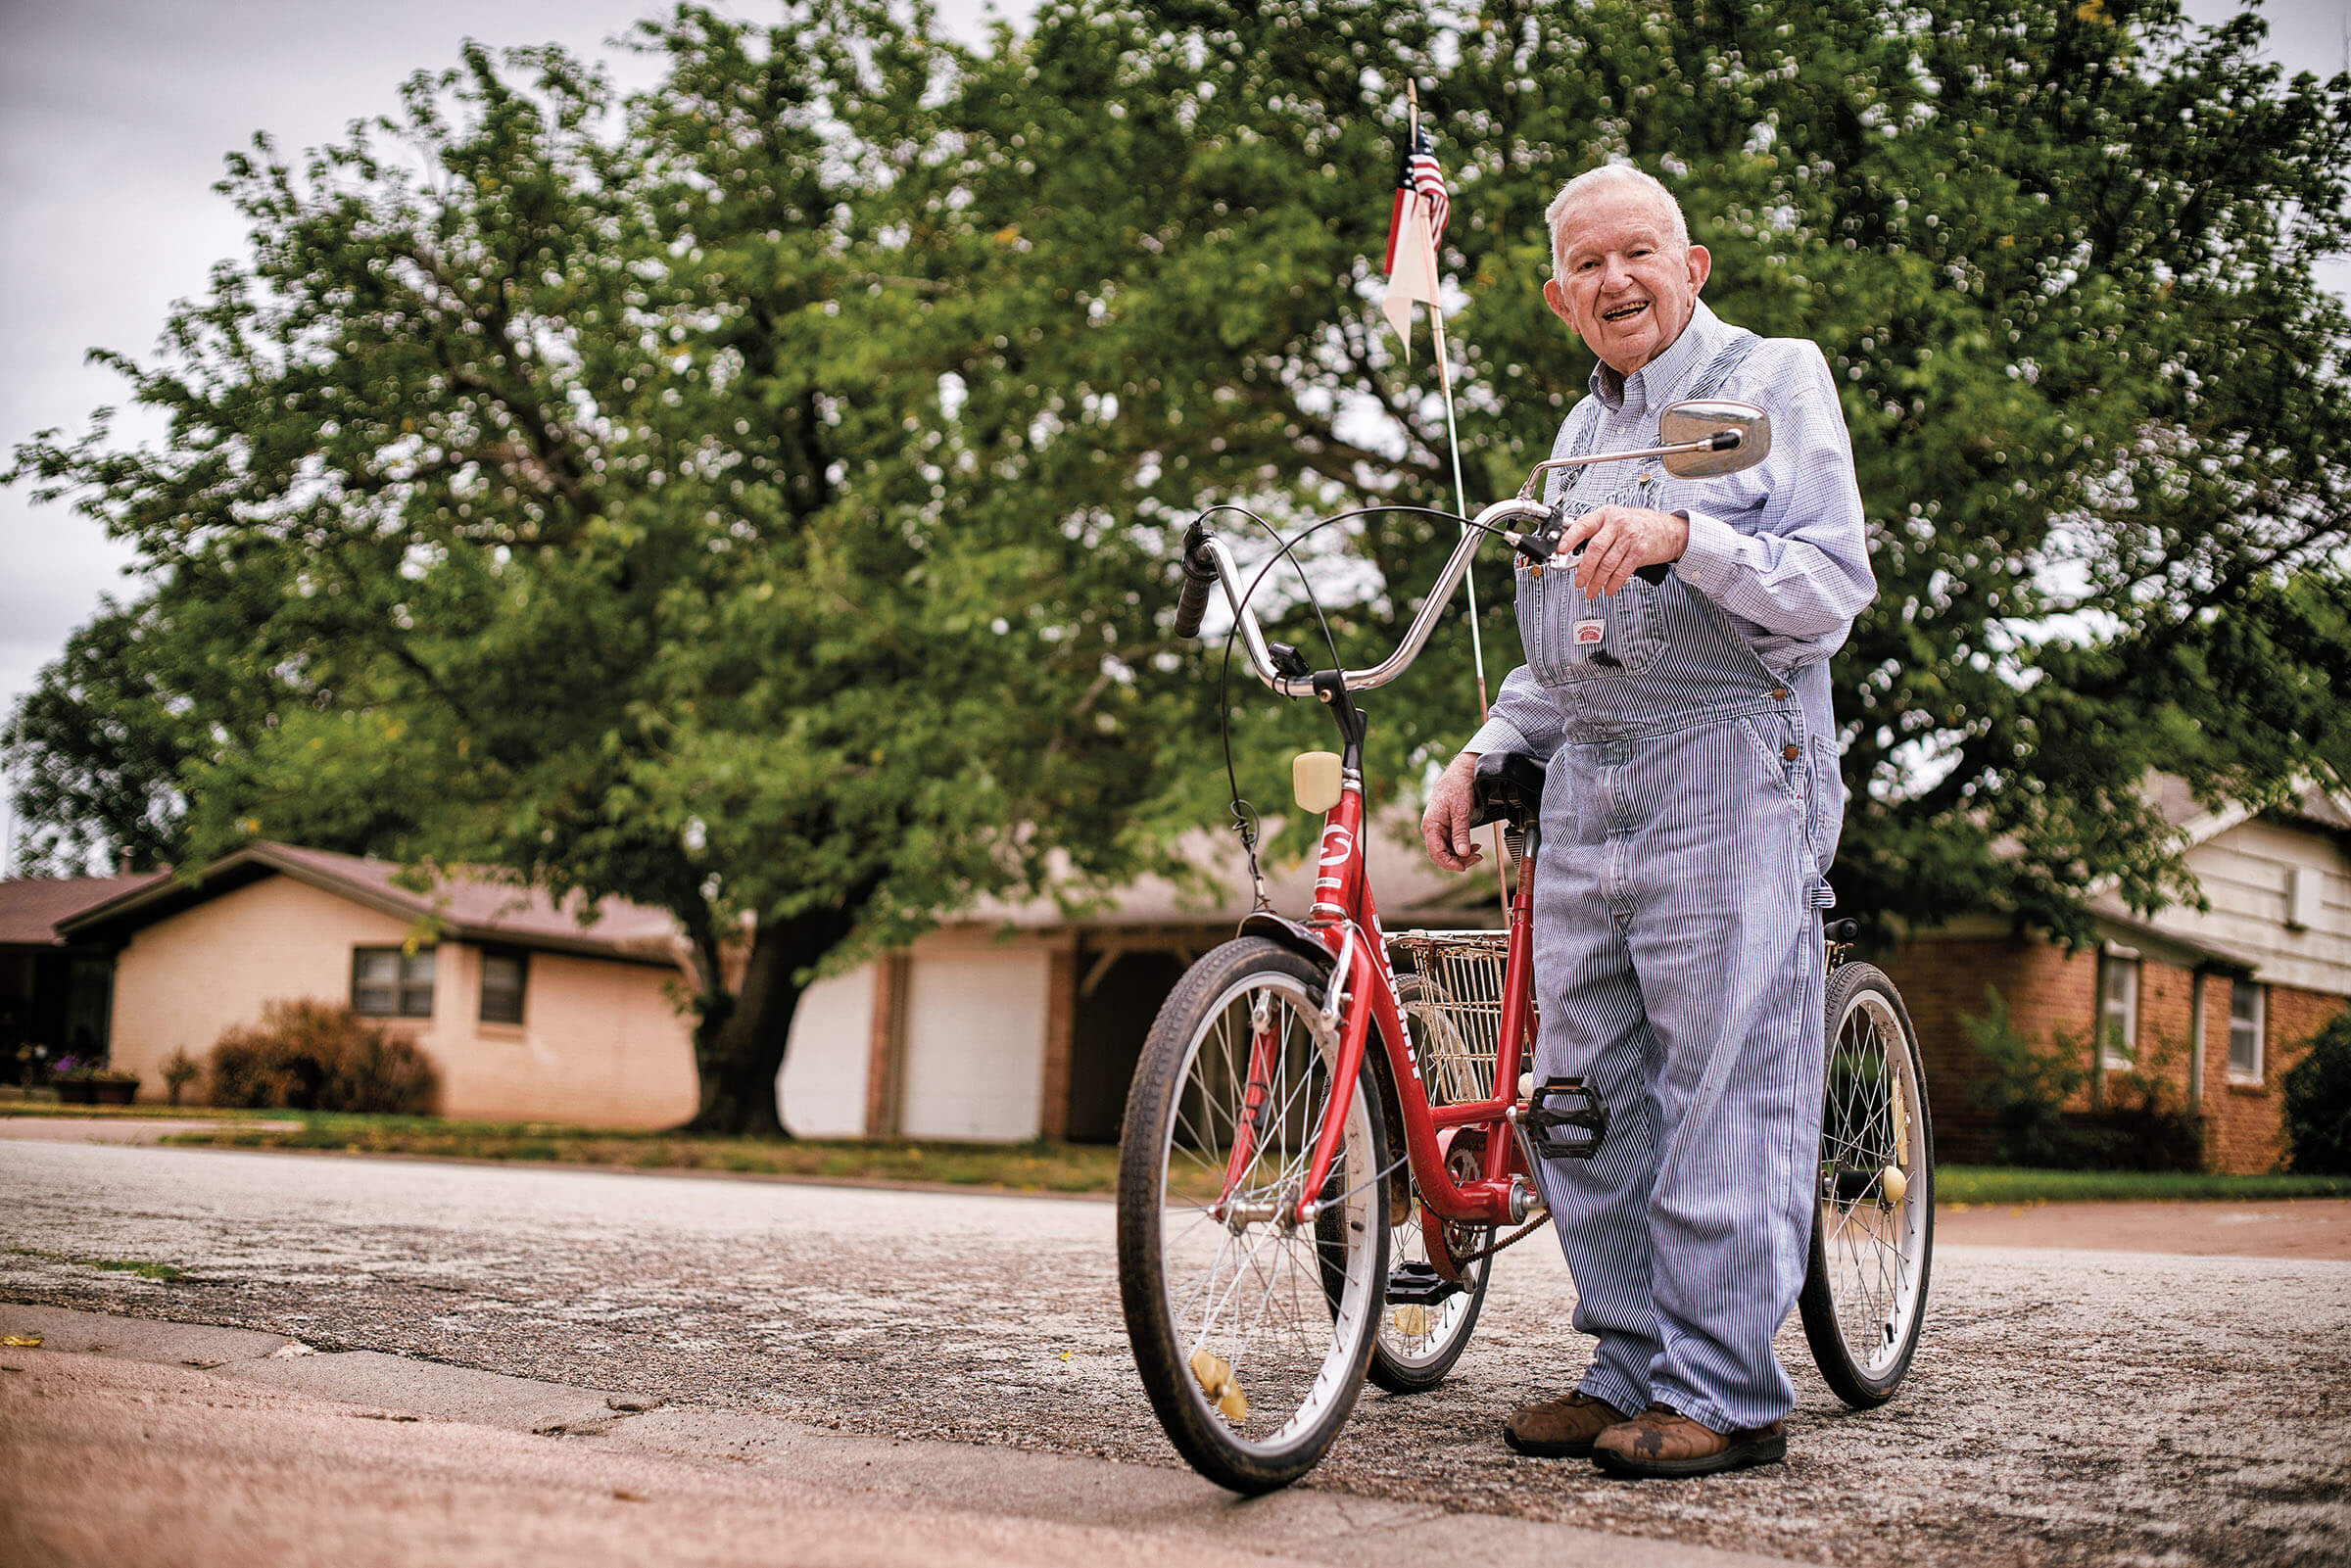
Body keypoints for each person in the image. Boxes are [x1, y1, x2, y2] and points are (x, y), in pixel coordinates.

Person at [1419, 165, 1875, 1478]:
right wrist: (1487, 746)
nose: (1616, 280)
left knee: (1722, 1079)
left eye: (1640, 252)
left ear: (1695, 265)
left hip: (1732, 760)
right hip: (1595, 781)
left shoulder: (1775, 379)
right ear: (1562, 299)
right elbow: (1563, 651)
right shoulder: (1572, 443)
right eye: (1587, 265)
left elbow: (1832, 584)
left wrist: (1684, 533)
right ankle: (1624, 1361)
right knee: (1582, 1093)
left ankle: (1721, 1388)